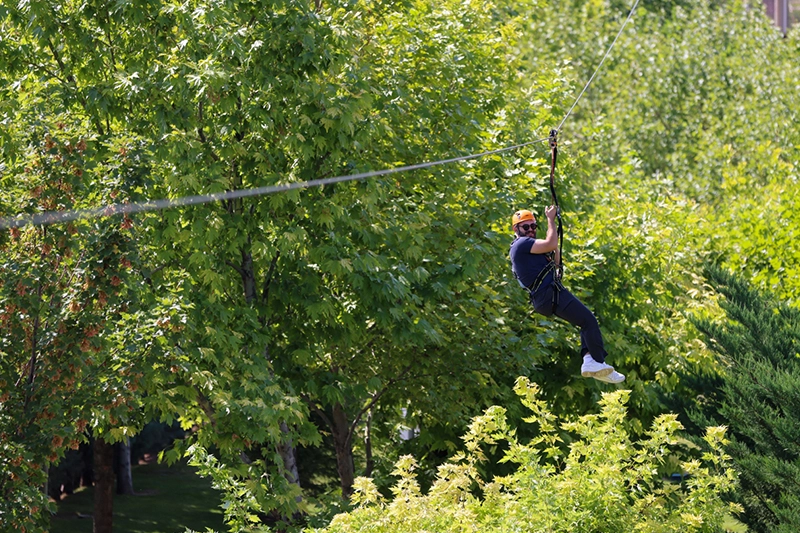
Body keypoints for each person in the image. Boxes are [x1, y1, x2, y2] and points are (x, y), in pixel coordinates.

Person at [509, 207, 624, 383]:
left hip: (548, 296)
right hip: (549, 294)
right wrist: (550, 220)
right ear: (515, 229)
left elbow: (555, 257)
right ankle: (599, 363)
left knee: (584, 322)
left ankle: (590, 360)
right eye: (526, 227)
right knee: (589, 320)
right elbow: (551, 244)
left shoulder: (529, 249)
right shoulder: (521, 245)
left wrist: (553, 234)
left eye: (533, 226)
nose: (531, 230)